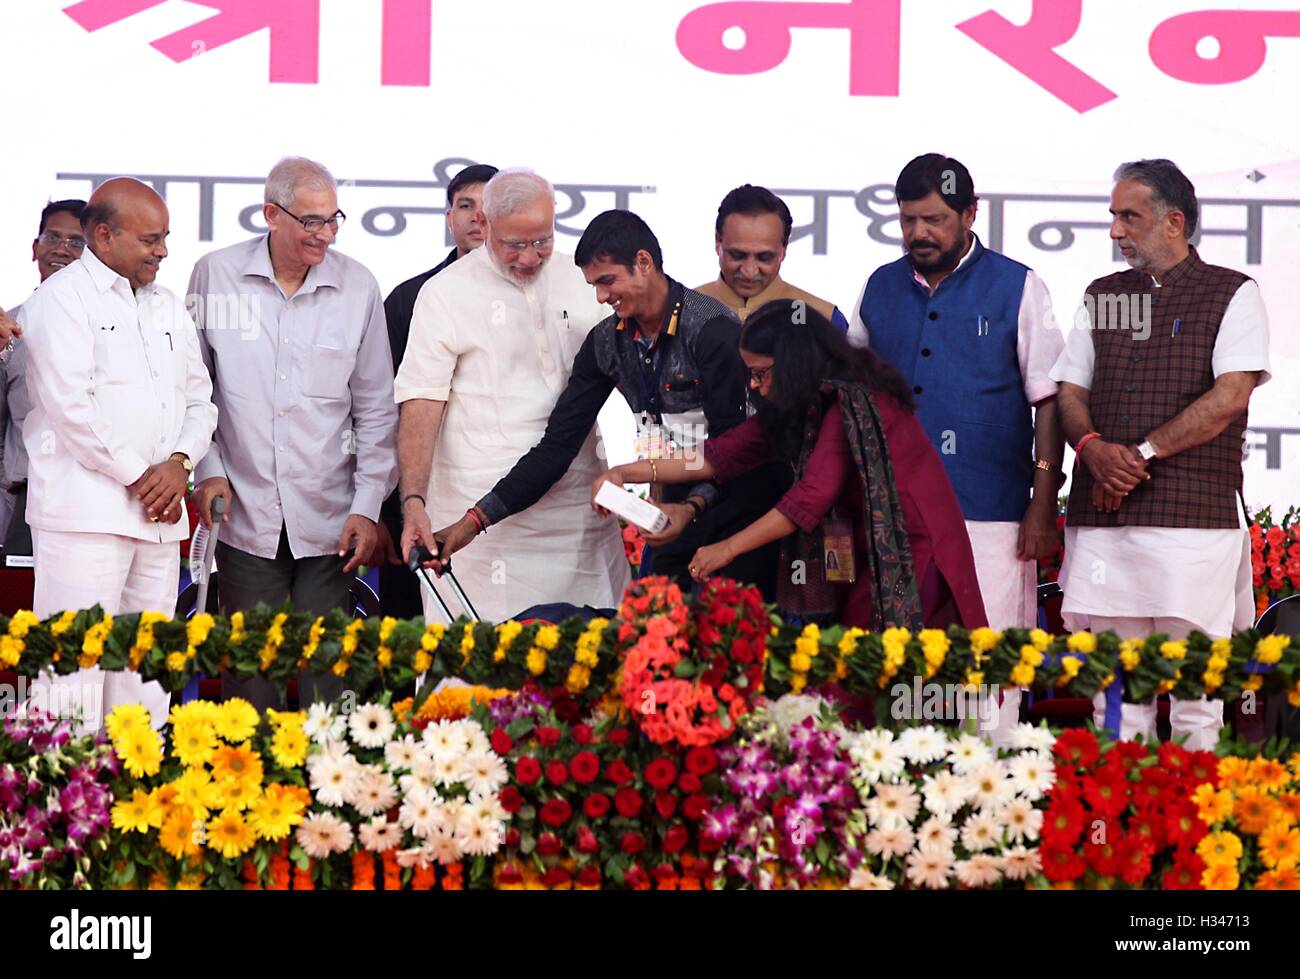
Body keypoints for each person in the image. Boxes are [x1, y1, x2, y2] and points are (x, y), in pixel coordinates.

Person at [425, 208, 791, 601]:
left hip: (743, 509)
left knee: (733, 641)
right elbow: (555, 450)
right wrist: (472, 523)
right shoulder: (605, 343)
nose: (600, 297)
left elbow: (733, 449)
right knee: (657, 642)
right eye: (593, 286)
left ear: (643, 263)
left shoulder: (711, 329)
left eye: (607, 281)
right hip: (673, 515)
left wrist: (692, 506)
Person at [593, 299, 986, 631]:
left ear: (795, 363)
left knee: (902, 674)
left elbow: (810, 499)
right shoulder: (802, 404)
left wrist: (725, 549)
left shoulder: (851, 401)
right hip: (864, 552)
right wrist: (626, 473)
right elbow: (720, 454)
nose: (753, 386)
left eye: (761, 374)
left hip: (907, 549)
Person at [1051, 158, 1270, 750]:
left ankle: (1194, 834)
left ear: (1174, 222)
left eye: (1130, 216)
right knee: (1117, 701)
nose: (1116, 231)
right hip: (1106, 523)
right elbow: (1068, 391)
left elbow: (1229, 397)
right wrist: (1093, 448)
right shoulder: (1102, 295)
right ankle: (1116, 830)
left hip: (1191, 527)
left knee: (1198, 703)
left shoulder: (1231, 292)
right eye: (1113, 216)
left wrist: (1139, 454)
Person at [848, 154, 1065, 737]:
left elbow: (1048, 399)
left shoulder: (1017, 285)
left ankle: (991, 801)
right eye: (909, 219)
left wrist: (1043, 503)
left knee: (988, 667)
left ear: (971, 214)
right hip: (895, 517)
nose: (920, 233)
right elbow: (849, 392)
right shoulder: (880, 286)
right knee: (900, 666)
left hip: (987, 511)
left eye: (936, 219)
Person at [189, 157, 398, 708]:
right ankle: (248, 791)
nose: (324, 235)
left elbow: (376, 408)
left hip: (332, 518)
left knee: (328, 677)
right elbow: (193, 393)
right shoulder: (215, 275)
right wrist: (207, 473)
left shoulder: (358, 287)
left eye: (334, 220)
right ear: (270, 215)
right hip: (243, 511)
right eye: (311, 221)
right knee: (249, 676)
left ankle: (325, 791)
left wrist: (368, 504)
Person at [17, 178, 217, 733]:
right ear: (103, 235)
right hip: (85, 518)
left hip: (158, 521)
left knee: (143, 673)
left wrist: (179, 465)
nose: (163, 251)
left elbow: (201, 399)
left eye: (166, 238)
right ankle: (66, 816)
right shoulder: (59, 301)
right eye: (151, 239)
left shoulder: (168, 305)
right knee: (72, 676)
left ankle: (139, 806)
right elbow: (71, 409)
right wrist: (144, 478)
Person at [395, 169, 628, 623]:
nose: (529, 257)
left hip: (577, 512)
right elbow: (422, 404)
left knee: (593, 664)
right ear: (484, 223)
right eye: (514, 245)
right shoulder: (443, 294)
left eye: (541, 241)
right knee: (480, 676)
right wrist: (414, 503)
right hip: (478, 524)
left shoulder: (583, 279)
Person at [376, 163, 497, 620]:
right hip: (419, 503)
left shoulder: (535, 297)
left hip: (498, 504)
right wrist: (389, 511)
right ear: (449, 217)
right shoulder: (410, 299)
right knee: (410, 643)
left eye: (488, 208)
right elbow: (382, 412)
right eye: (465, 206)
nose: (476, 218)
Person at [0, 199, 87, 550]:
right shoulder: (9, 326)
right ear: (35, 248)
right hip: (22, 497)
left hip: (94, 501)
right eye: (53, 238)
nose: (62, 250)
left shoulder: (120, 327)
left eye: (77, 242)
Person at [695, 184, 849, 330]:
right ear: (717, 241)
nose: (750, 271)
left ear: (784, 248)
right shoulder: (681, 311)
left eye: (764, 257)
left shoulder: (823, 319)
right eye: (737, 255)